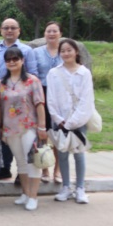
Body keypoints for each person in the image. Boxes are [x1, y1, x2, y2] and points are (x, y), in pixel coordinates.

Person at [0, 18, 39, 180]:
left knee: (25, 139)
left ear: (19, 30)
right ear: (1, 31)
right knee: (5, 132)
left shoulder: (27, 50)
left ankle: (23, 172)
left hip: (23, 101)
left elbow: (33, 73)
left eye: (13, 28)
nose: (9, 30)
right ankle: (5, 167)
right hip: (2, 97)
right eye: (6, 28)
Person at [0, 47, 47, 211]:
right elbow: (0, 107)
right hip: (10, 128)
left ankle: (33, 196)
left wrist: (42, 126)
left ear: (22, 60)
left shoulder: (32, 81)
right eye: (8, 60)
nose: (12, 62)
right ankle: (25, 193)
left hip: (29, 126)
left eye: (15, 59)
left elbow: (39, 104)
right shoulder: (2, 83)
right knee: (20, 162)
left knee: (32, 161)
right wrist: (0, 127)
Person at [46, 38, 94, 205]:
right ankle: (65, 187)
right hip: (59, 121)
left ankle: (80, 188)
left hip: (79, 121)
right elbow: (51, 99)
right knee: (62, 154)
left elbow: (86, 100)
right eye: (63, 51)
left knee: (79, 154)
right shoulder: (54, 73)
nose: (66, 53)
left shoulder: (84, 73)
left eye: (69, 50)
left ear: (76, 52)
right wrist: (58, 119)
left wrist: (73, 122)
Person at [32, 21, 64, 183]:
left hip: (60, 96)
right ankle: (45, 168)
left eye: (54, 31)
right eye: (48, 31)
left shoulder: (65, 51)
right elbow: (33, 73)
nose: (51, 34)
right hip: (41, 93)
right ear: (44, 34)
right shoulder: (36, 52)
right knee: (42, 132)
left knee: (58, 133)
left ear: (60, 34)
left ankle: (58, 170)